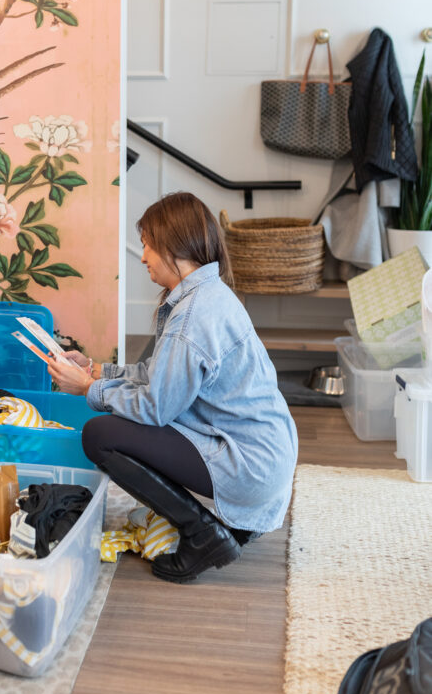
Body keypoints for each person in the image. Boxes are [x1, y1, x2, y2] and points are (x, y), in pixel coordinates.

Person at [47, 191, 298, 584]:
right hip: (266, 456)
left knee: (100, 434)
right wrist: (96, 369)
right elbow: (158, 372)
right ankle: (219, 528)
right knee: (114, 422)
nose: (143, 256)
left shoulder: (192, 316)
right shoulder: (208, 295)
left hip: (250, 464)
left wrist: (88, 390)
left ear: (173, 247)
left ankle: (203, 535)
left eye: (147, 245)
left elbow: (156, 407)